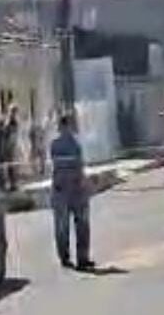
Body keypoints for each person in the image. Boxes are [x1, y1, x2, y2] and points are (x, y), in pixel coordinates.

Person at [50, 113, 94, 271]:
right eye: (67, 125)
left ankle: (77, 258)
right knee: (69, 226)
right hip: (67, 189)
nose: (69, 129)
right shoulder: (64, 144)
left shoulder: (70, 144)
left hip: (69, 189)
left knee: (77, 225)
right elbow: (75, 165)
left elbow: (78, 166)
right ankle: (71, 257)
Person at [0, 105, 20, 191]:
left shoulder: (13, 122)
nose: (13, 114)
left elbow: (11, 133)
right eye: (13, 112)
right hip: (5, 147)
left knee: (11, 166)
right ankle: (4, 183)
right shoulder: (8, 122)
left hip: (10, 147)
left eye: (15, 112)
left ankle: (12, 184)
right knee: (5, 166)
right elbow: (5, 133)